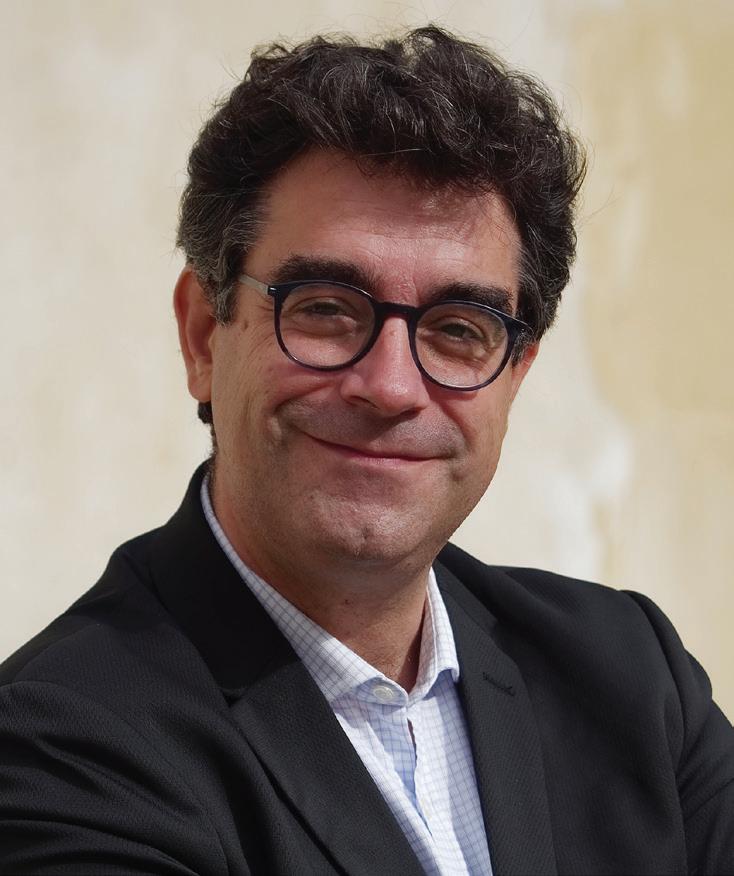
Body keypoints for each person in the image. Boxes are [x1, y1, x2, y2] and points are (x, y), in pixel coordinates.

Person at [1, 25, 732, 876]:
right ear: (204, 335)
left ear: (515, 375)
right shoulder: (61, 747)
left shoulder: (631, 678)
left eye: (458, 329)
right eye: (324, 308)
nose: (389, 387)